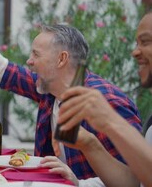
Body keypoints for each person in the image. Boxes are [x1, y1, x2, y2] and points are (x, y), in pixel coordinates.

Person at [0, 2, 142, 180]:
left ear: (61, 59)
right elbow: (4, 71)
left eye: (36, 54)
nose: (29, 61)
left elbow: (134, 180)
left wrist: (79, 183)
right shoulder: (50, 89)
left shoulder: (108, 102)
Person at [49, 12, 152, 186]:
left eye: (146, 42)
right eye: (136, 43)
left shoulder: (111, 99)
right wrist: (89, 144)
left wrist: (109, 120)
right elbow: (138, 182)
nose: (135, 52)